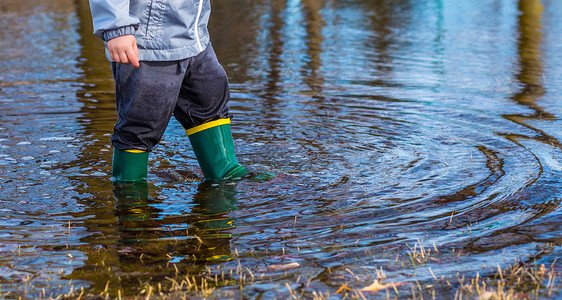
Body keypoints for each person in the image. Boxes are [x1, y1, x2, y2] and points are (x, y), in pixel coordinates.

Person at [88, 0, 248, 182]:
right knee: (142, 118)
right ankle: (130, 191)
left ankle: (224, 168)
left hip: (195, 36)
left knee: (210, 95)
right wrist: (116, 27)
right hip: (149, 43)